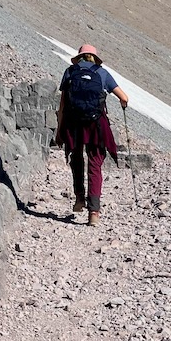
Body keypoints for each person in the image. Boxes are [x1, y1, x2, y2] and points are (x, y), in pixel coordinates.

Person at [55, 43, 129, 225]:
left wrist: (59, 130)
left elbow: (63, 104)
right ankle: (94, 212)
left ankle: (79, 197)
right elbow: (124, 97)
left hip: (73, 122)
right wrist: (123, 104)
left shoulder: (70, 72)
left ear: (79, 57)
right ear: (95, 58)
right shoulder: (102, 73)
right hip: (96, 124)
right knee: (95, 163)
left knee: (76, 158)